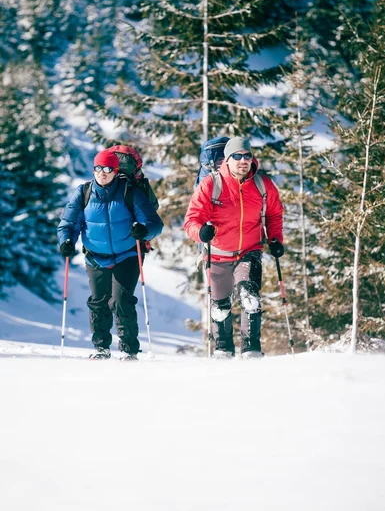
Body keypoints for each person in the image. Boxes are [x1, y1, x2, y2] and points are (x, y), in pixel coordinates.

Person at [57, 150, 163, 360]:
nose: (102, 173)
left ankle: (129, 349)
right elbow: (69, 223)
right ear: (93, 170)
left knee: (121, 300)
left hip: (127, 254)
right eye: (98, 169)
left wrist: (143, 230)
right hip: (95, 256)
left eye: (107, 169)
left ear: (116, 171)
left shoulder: (129, 192)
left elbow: (154, 223)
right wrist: (67, 241)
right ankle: (101, 348)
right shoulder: (84, 192)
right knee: (99, 300)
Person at [184, 137, 284, 359]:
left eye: (247, 156)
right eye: (237, 156)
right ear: (227, 160)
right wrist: (200, 232)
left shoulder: (262, 184)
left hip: (250, 250)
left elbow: (274, 214)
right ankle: (223, 349)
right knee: (220, 306)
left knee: (250, 296)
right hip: (218, 254)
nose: (243, 161)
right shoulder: (211, 184)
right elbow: (192, 219)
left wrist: (275, 239)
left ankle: (251, 349)